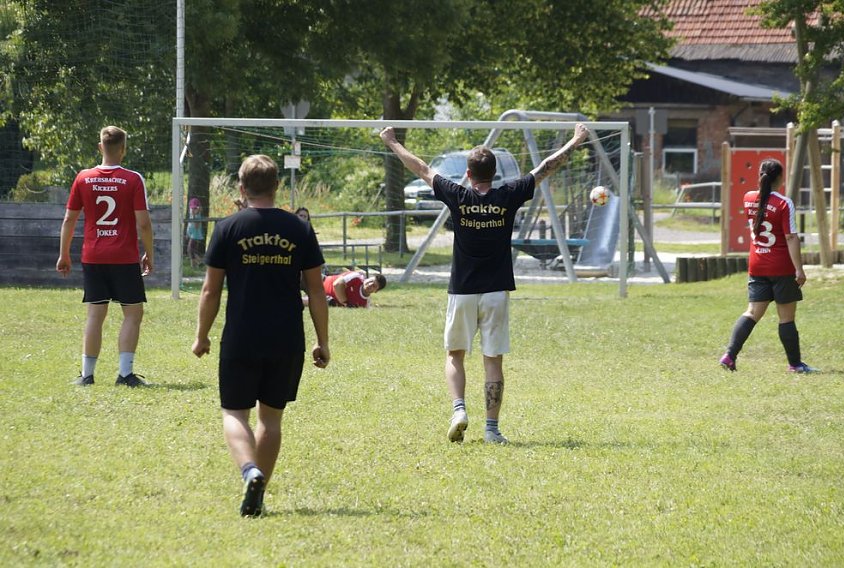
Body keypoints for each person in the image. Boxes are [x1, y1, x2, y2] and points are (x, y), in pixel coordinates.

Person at [380, 123, 590, 444]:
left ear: (468, 172)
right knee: (492, 360)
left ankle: (459, 409)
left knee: (455, 355)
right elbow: (546, 167)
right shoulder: (508, 195)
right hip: (496, 291)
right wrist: (576, 140)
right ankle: (492, 430)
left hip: (462, 291)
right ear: (496, 173)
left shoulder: (457, 195)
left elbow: (421, 167)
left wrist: (392, 141)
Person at [192, 154, 330, 517]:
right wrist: (323, 341)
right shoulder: (299, 229)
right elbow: (316, 291)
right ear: (276, 187)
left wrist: (201, 335)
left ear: (241, 187)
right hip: (286, 339)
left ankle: (249, 471)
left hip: (241, 336)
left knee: (234, 413)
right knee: (270, 419)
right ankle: (259, 492)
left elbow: (210, 291)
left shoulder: (227, 228)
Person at [56, 125, 154, 388]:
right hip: (123, 257)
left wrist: (64, 254)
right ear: (123, 149)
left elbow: (69, 219)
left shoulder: (83, 178)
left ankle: (87, 375)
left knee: (95, 315)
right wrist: (149, 253)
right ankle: (125, 374)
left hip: (93, 257)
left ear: (100, 147)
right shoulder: (133, 179)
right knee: (133, 314)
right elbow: (143, 223)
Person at [719, 158, 816, 373]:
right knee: (786, 317)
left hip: (757, 265)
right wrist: (799, 269)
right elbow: (790, 237)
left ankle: (729, 355)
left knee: (752, 312)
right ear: (780, 177)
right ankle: (795, 365)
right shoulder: (784, 203)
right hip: (781, 267)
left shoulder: (748, 198)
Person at [322, 271, 386, 308]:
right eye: (370, 281)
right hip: (320, 282)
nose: (369, 284)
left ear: (376, 291)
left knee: (330, 302)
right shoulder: (356, 277)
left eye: (374, 286)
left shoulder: (365, 304)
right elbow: (337, 284)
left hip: (323, 298)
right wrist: (346, 303)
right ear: (367, 278)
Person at [186, 197, 205, 268]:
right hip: (191, 234)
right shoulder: (191, 215)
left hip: (195, 235)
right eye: (192, 208)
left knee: (190, 249)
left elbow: (196, 226)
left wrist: (194, 216)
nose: (193, 210)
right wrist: (187, 233)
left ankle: (200, 261)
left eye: (195, 208)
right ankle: (194, 265)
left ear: (198, 208)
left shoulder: (197, 215)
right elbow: (189, 225)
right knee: (191, 250)